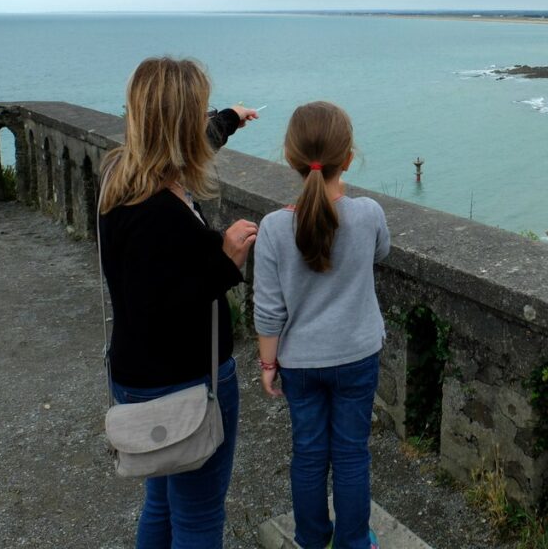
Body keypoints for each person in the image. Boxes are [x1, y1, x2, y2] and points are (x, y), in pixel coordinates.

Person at [99, 57, 259, 548]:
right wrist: (227, 262)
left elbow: (196, 142)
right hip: (184, 386)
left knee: (161, 504)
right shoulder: (156, 214)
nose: (204, 120)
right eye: (200, 111)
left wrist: (230, 118)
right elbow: (162, 309)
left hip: (135, 378)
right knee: (198, 517)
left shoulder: (122, 177)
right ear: (176, 124)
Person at [254, 101, 390, 549]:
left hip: (301, 362)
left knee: (309, 456)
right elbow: (380, 254)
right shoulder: (367, 213)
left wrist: (268, 364)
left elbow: (269, 310)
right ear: (348, 158)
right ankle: (354, 542)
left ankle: (312, 540)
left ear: (291, 158)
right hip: (357, 354)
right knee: (352, 455)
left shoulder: (274, 228)